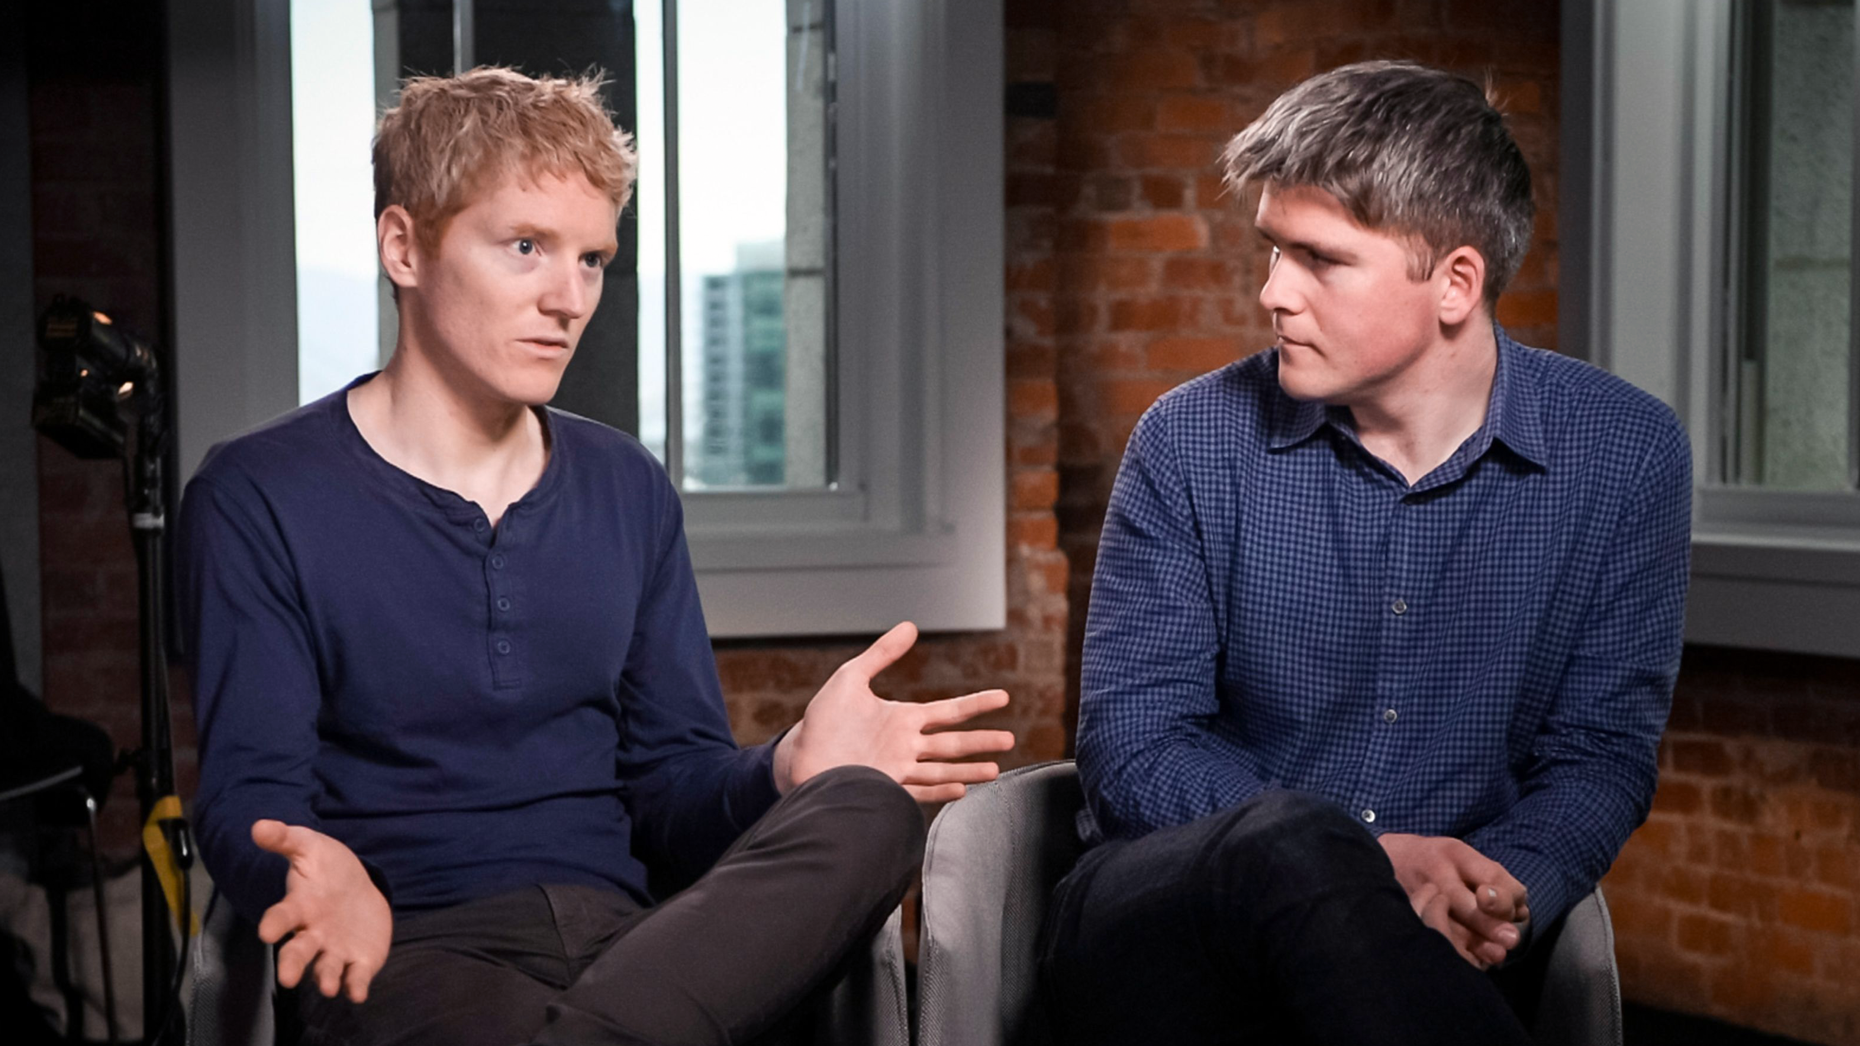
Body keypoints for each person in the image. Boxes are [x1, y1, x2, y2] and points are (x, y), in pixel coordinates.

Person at [179, 67, 1014, 1046]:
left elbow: (672, 793)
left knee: (867, 811)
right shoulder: (257, 493)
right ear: (404, 245)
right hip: (409, 947)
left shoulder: (626, 484)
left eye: (591, 258)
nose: (567, 297)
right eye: (525, 247)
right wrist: (311, 870)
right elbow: (251, 796)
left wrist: (785, 767)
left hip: (642, 940)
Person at [1038, 60, 1691, 1045]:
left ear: (1455, 284)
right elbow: (1134, 740)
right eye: (1271, 250)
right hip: (1165, 920)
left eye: (1320, 259)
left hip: (1422, 947)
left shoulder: (1625, 454)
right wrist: (1373, 860)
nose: (1272, 293)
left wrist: (1491, 890)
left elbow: (1601, 753)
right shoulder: (1190, 441)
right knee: (1292, 841)